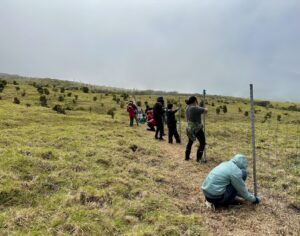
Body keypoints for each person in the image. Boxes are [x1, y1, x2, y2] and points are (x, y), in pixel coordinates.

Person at [185, 96, 208, 162]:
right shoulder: (194, 108)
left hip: (189, 128)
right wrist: (205, 107)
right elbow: (205, 110)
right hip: (196, 128)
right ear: (195, 101)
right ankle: (199, 159)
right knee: (202, 143)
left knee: (190, 142)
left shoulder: (187, 107)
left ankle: (186, 157)